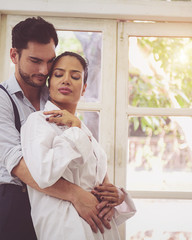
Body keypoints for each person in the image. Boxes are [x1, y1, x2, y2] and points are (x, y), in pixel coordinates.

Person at [0, 17, 114, 240]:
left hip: (59, 207)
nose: (44, 70)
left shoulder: (56, 91)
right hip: (18, 204)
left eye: (49, 61)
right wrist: (76, 195)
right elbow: (21, 166)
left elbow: (83, 147)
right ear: (14, 55)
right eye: (35, 60)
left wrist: (106, 190)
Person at [21, 51, 136, 240]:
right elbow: (44, 173)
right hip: (66, 230)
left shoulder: (86, 133)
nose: (66, 80)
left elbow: (99, 184)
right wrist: (75, 129)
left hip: (101, 231)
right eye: (58, 75)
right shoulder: (37, 122)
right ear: (49, 84)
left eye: (75, 77)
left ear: (83, 88)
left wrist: (116, 196)